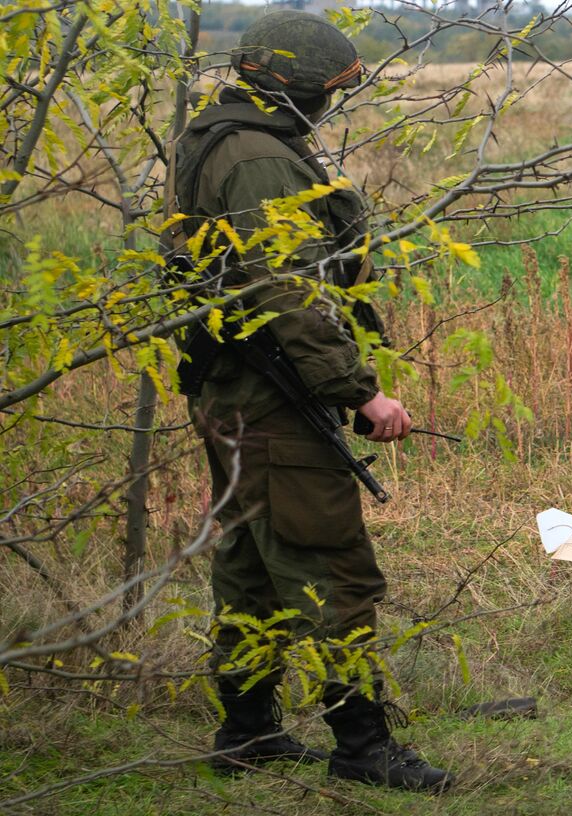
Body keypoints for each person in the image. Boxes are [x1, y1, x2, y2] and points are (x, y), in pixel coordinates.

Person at [172, 10, 451, 792]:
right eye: (326, 89)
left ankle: (247, 731)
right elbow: (289, 292)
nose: (330, 103)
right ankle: (363, 749)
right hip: (272, 397)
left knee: (253, 568)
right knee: (334, 571)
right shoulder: (260, 159)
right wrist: (359, 392)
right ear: (292, 87)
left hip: (237, 392)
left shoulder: (219, 137)